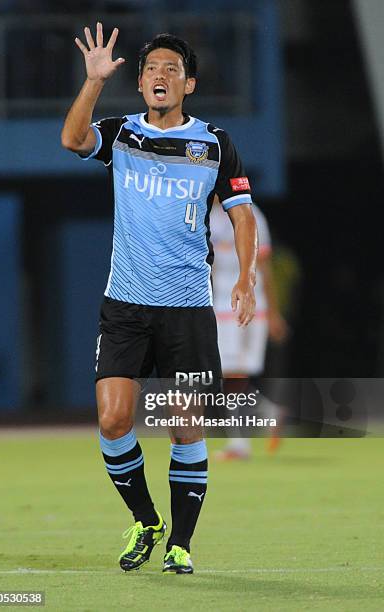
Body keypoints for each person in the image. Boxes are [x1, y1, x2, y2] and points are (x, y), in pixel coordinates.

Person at [61, 23, 257, 574]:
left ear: (188, 83)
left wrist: (246, 277)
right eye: (150, 69)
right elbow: (74, 141)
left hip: (188, 307)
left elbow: (241, 213)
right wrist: (94, 82)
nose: (159, 76)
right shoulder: (121, 134)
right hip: (125, 303)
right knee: (115, 418)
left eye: (171, 69)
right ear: (141, 82)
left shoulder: (214, 143)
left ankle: (182, 544)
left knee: (185, 423)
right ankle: (147, 521)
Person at [211, 200, 288, 459]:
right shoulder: (207, 217)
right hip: (221, 307)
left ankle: (240, 443)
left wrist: (274, 313)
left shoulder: (252, 215)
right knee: (232, 376)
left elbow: (264, 266)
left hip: (249, 307)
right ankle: (268, 414)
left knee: (232, 376)